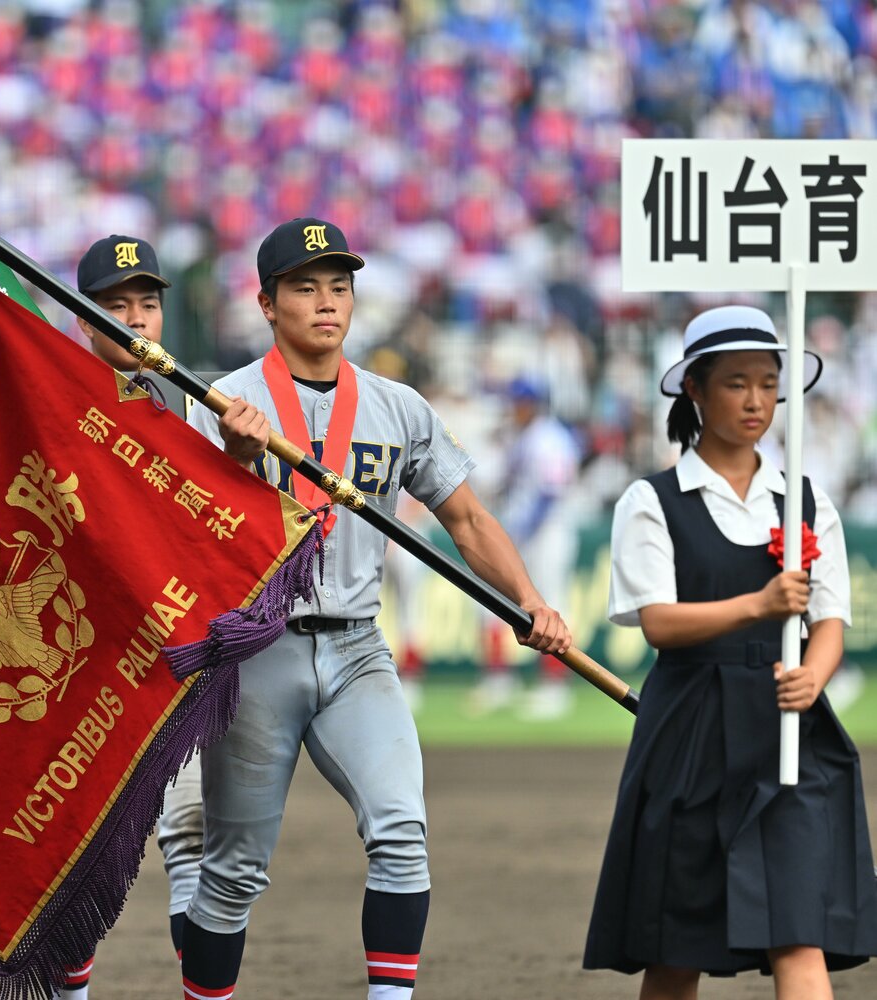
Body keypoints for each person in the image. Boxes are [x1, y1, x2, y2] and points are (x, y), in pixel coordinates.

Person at [180, 217, 571, 1000]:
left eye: (339, 286)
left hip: (359, 649)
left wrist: (528, 600)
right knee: (230, 875)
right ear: (265, 303)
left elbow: (466, 519)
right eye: (304, 287)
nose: (327, 302)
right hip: (259, 654)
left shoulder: (398, 407)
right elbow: (187, 535)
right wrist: (234, 462)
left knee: (403, 835)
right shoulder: (224, 404)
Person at [584, 305, 877, 997]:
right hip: (689, 731)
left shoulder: (806, 499)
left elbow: (830, 618)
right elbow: (658, 623)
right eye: (736, 382)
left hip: (789, 731)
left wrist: (815, 674)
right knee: (675, 945)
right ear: (694, 389)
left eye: (769, 383)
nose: (756, 401)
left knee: (799, 935)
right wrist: (760, 606)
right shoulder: (651, 501)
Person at [50, 234, 193, 999]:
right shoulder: (55, 392)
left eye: (148, 303)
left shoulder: (186, 401)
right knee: (80, 850)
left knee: (194, 837)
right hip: (80, 652)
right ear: (83, 316)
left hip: (175, 652)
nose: (137, 319)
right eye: (117, 305)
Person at [471, 375, 582, 719]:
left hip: (549, 532)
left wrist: (523, 529)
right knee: (492, 602)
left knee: (550, 604)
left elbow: (551, 493)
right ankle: (498, 680)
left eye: (520, 402)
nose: (515, 408)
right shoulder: (519, 437)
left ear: (532, 404)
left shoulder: (551, 437)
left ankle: (554, 688)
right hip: (523, 533)